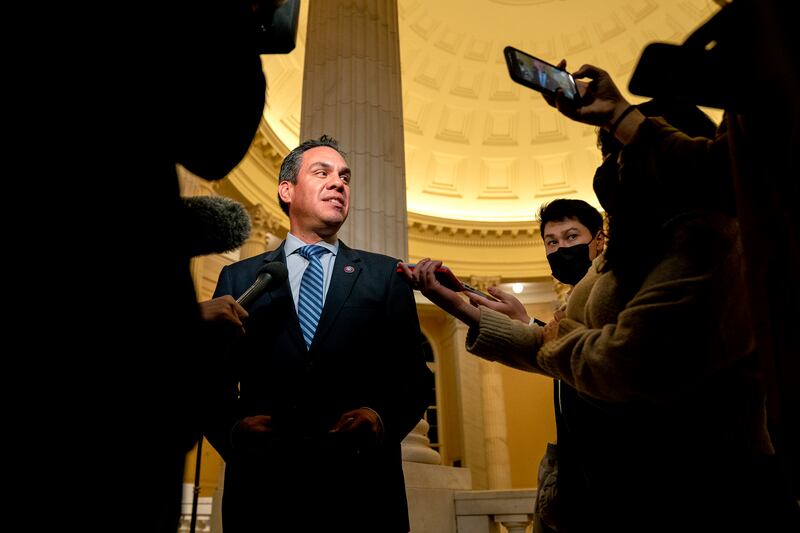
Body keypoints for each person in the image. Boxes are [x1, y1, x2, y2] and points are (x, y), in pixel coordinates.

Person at [206, 135, 433, 533]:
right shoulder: (239, 277)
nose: (339, 183)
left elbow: (413, 378)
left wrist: (380, 418)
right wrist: (235, 431)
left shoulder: (385, 275)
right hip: (264, 492)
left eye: (345, 176)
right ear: (287, 190)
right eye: (322, 172)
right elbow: (209, 379)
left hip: (361, 493)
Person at [400, 197, 605, 533]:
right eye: (551, 242)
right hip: (575, 488)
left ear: (599, 239)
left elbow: (572, 354)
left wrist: (459, 305)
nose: (560, 248)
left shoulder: (610, 292)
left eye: (571, 237)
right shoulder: (572, 309)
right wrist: (522, 320)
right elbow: (562, 352)